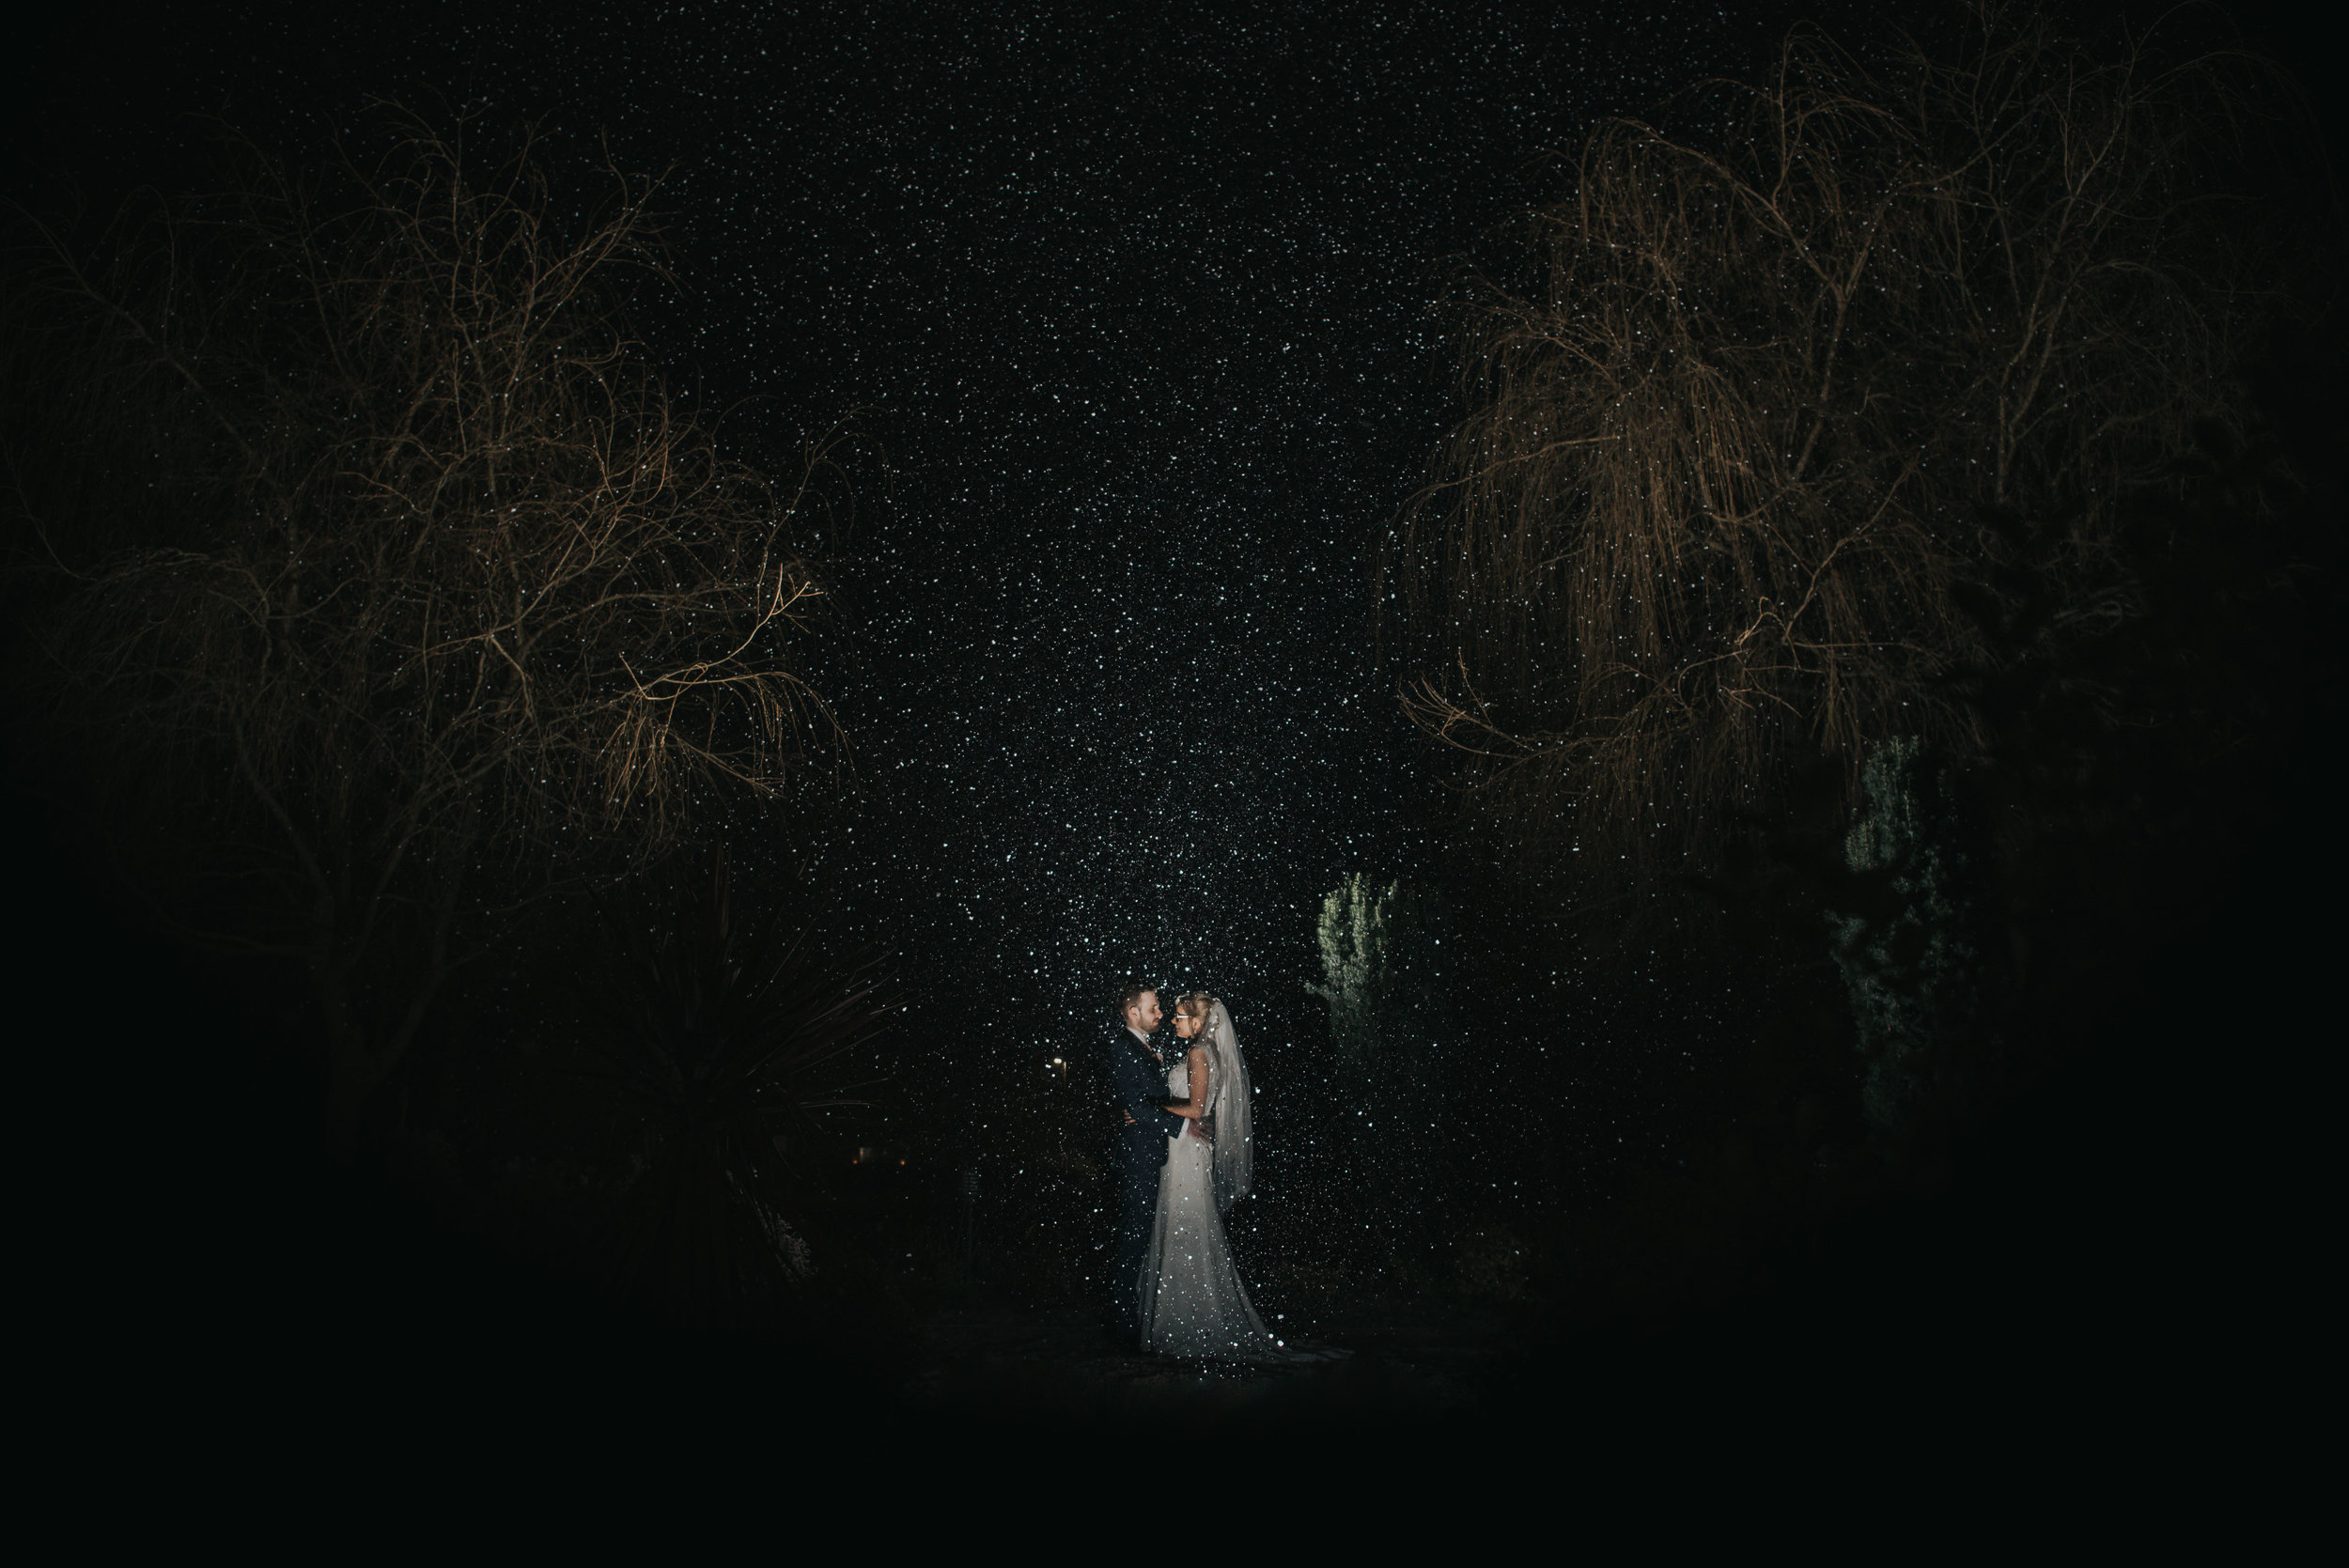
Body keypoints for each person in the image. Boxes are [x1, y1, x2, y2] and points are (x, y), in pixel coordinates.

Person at [1135, 993, 1289, 1360]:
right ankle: (1184, 1317)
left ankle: (1182, 1322)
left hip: (1186, 1153)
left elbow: (1196, 1107)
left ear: (1199, 1024)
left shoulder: (1199, 1053)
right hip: (1189, 1148)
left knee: (1183, 1227)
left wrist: (1148, 1108)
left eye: (1180, 1017)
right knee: (1187, 1226)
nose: (1174, 1022)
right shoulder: (1208, 1053)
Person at [1097, 982, 1185, 1346]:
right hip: (1138, 1157)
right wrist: (1185, 1125)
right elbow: (1134, 1105)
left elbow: (1147, 1103)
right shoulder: (1122, 1047)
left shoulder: (1146, 1048)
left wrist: (1169, 1108)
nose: (1161, 1014)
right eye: (1154, 1008)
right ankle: (1122, 1324)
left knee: (1142, 1235)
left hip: (1151, 1153)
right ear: (1133, 1012)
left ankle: (1134, 1315)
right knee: (1133, 1236)